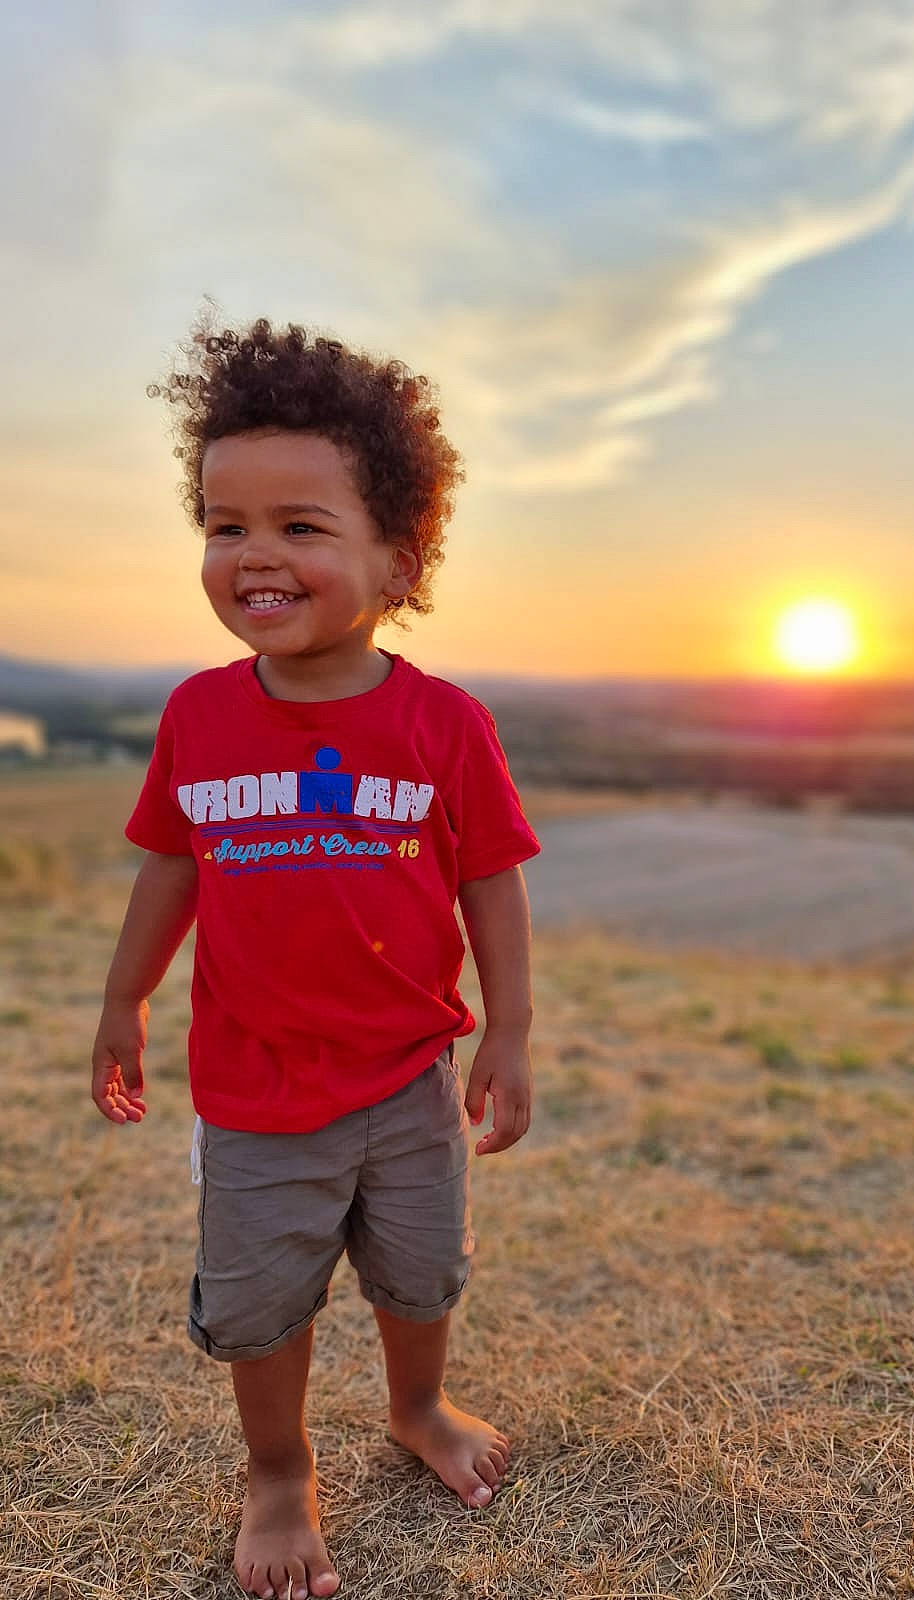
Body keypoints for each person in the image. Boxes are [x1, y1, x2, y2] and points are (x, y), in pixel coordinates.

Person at [90, 314, 541, 1600]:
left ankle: (420, 1405)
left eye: (299, 524)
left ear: (398, 560)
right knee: (262, 1301)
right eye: (225, 527)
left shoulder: (443, 723)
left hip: (408, 1078)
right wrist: (125, 997)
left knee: (420, 1271)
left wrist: (506, 1030)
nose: (254, 556)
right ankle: (278, 1473)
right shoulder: (199, 714)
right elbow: (170, 862)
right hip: (255, 1089)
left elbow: (489, 878)